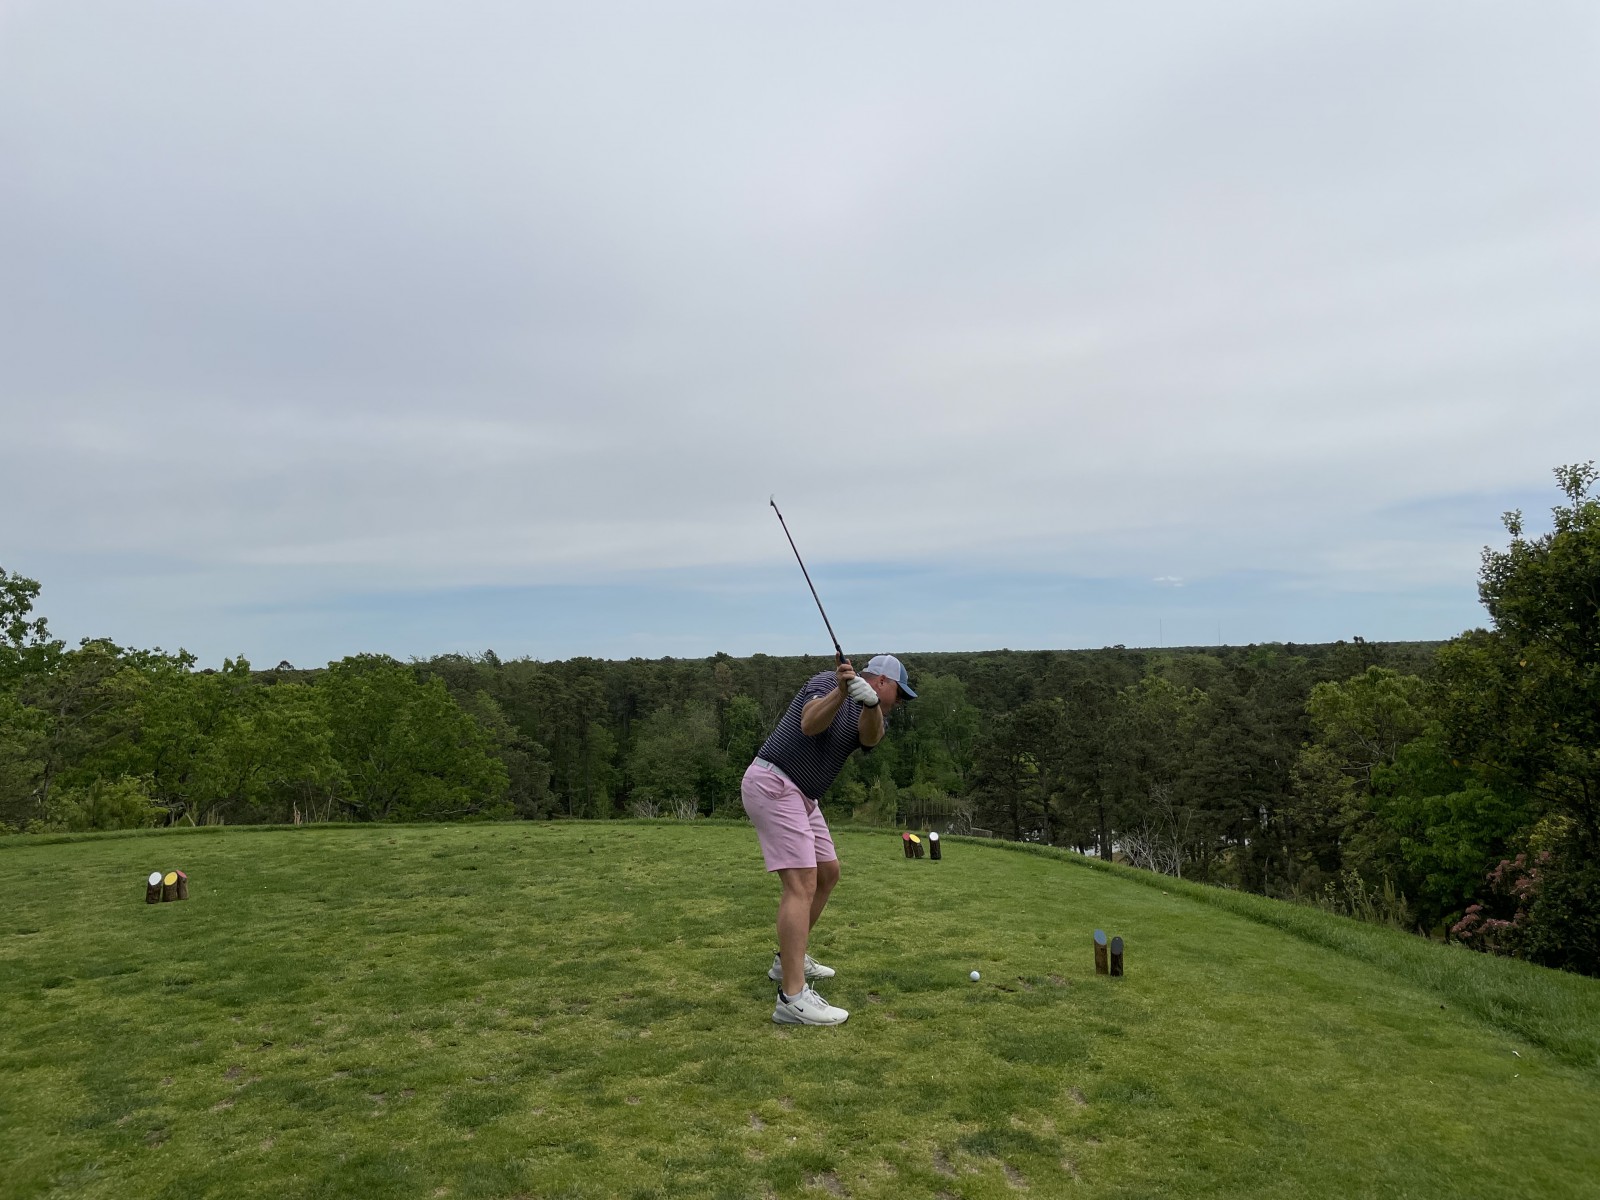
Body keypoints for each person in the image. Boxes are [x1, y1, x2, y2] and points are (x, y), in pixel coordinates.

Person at [741, 653, 916, 1025]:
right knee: (802, 883)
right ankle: (792, 998)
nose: (899, 702)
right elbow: (809, 724)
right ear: (882, 681)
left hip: (804, 795)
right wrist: (841, 691)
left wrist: (871, 705)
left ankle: (787, 960)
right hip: (775, 782)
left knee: (828, 872)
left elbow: (871, 737)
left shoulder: (872, 710)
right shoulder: (825, 681)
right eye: (898, 694)